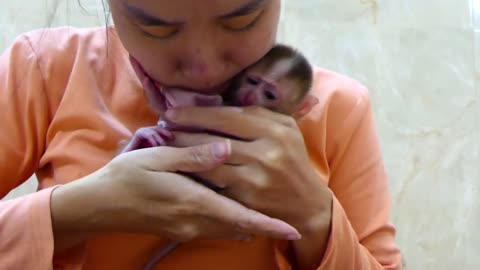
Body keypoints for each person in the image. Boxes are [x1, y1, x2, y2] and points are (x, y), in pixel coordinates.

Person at [0, 0, 402, 269]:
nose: (204, 66)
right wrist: (75, 210)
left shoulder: (338, 108)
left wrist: (317, 218)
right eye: (155, 27)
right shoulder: (46, 69)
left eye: (240, 20)